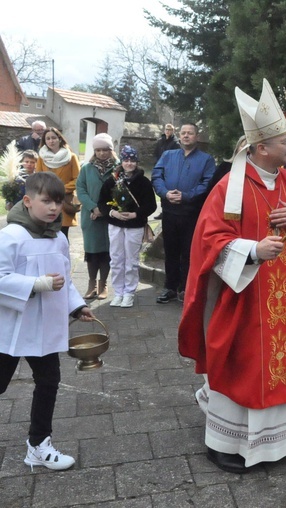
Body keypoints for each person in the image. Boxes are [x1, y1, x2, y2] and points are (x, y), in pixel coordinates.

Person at [178, 80, 286, 473]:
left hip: (285, 299)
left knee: (278, 362)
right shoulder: (231, 187)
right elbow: (209, 239)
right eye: (284, 140)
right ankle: (224, 442)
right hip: (244, 297)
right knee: (240, 361)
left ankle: (273, 444)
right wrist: (252, 250)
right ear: (262, 147)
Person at [0, 172, 95, 472]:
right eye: (46, 201)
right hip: (11, 329)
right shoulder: (11, 237)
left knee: (48, 382)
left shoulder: (58, 238)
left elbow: (64, 282)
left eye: (59, 201)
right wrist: (37, 284)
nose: (54, 208)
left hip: (44, 331)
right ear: (27, 201)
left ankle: (38, 445)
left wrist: (77, 306)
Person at [151, 123, 215, 304]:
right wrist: (165, 193)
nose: (186, 136)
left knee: (189, 253)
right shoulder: (168, 155)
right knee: (170, 251)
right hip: (170, 212)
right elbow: (157, 176)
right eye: (183, 133)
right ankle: (170, 287)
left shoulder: (206, 160)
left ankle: (186, 288)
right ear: (179, 135)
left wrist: (186, 196)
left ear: (197, 136)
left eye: (190, 133)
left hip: (191, 214)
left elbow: (207, 183)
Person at [98, 146, 157, 308]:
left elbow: (151, 205)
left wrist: (135, 214)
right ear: (121, 161)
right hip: (115, 224)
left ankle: (129, 292)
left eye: (132, 160)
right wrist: (112, 213)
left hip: (134, 225)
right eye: (126, 160)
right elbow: (101, 202)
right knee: (116, 259)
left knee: (131, 260)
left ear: (136, 162)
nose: (129, 163)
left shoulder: (144, 182)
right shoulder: (112, 180)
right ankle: (118, 292)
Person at [76, 133, 117, 300]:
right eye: (98, 150)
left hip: (110, 216)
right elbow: (81, 190)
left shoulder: (118, 168)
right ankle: (91, 284)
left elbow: (122, 193)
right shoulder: (86, 168)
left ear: (111, 150)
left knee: (106, 252)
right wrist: (93, 207)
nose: (101, 153)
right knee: (92, 252)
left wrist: (104, 209)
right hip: (91, 217)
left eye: (105, 150)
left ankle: (103, 284)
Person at [35, 127, 80, 239]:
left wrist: (61, 189)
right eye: (48, 138)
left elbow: (78, 179)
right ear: (44, 141)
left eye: (54, 138)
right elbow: (38, 177)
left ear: (60, 139)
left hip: (64, 201)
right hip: (47, 200)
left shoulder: (71, 157)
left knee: (62, 236)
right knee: (46, 236)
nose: (51, 141)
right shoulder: (42, 157)